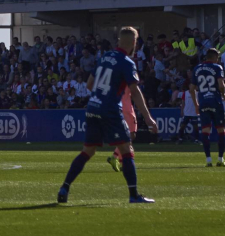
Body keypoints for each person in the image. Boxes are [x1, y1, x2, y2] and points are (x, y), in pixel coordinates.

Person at [56, 27, 157, 205]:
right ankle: (134, 195)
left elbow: (89, 84)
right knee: (126, 150)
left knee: (88, 151)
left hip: (93, 107)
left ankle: (64, 187)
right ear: (134, 43)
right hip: (110, 109)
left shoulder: (103, 58)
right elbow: (135, 92)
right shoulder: (127, 62)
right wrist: (148, 118)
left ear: (119, 41)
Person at [192, 54, 225, 167]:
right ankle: (220, 158)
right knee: (220, 129)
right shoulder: (217, 67)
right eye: (217, 57)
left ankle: (208, 159)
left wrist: (196, 104)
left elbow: (191, 88)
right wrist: (223, 93)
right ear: (214, 57)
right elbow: (221, 84)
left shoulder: (197, 68)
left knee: (206, 130)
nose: (218, 60)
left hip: (203, 101)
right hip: (215, 101)